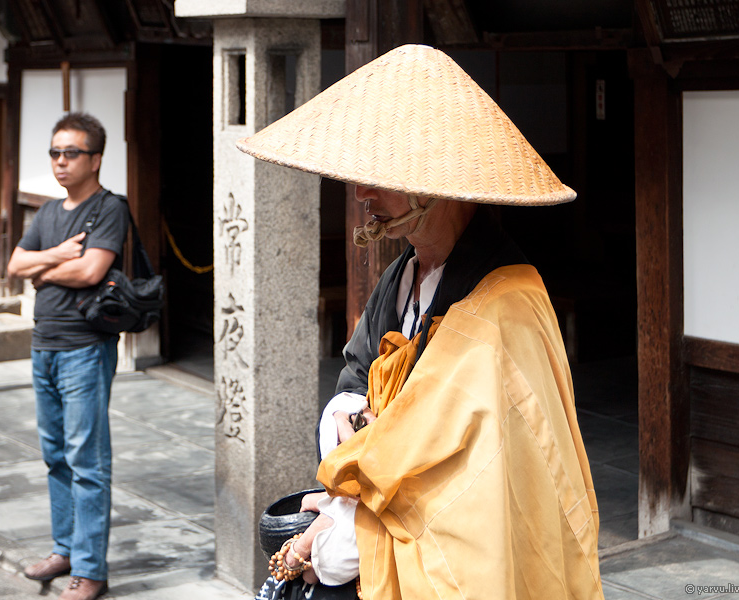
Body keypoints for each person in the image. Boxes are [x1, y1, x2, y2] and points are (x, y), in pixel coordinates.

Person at [240, 45, 603, 599]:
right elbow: (354, 381)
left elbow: (463, 482)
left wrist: (333, 538)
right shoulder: (401, 276)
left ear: (435, 185)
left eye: (380, 177)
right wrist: (347, 436)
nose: (362, 193)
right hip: (367, 525)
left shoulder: (505, 303)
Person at [7, 112, 128, 600]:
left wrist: (45, 269)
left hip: (84, 348)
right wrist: (58, 256)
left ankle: (91, 571)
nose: (60, 161)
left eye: (71, 153)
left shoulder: (109, 208)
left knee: (86, 460)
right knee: (55, 456)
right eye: (55, 153)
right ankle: (66, 549)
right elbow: (17, 264)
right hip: (44, 348)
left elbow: (92, 271)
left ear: (95, 159)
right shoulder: (50, 212)